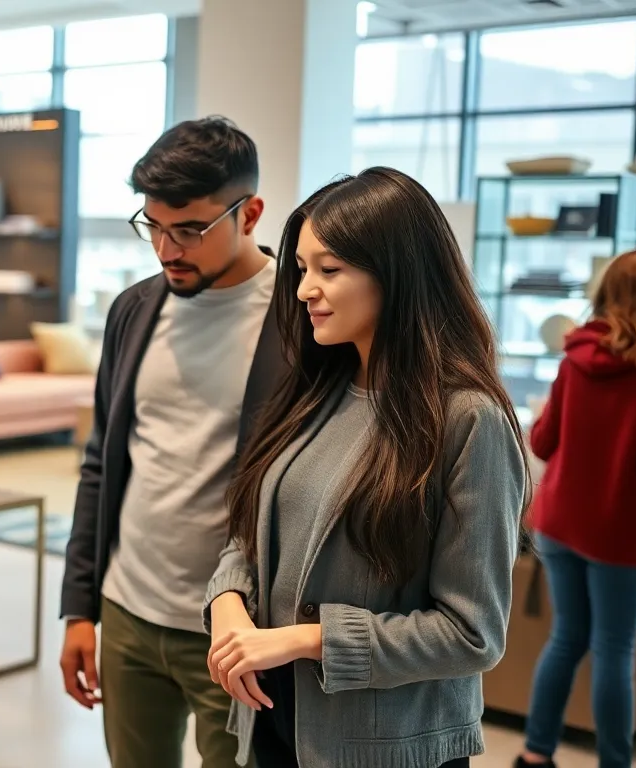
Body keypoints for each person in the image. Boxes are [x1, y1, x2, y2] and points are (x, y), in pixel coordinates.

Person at [205, 166, 528, 768]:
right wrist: (228, 601)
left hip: (383, 745)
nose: (304, 290)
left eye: (329, 270)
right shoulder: (316, 389)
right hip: (273, 727)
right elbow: (252, 535)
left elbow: (472, 633)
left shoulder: (467, 419)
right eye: (302, 269)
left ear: (398, 276)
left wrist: (306, 639)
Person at [58, 116, 287, 768]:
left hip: (236, 629)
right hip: (128, 612)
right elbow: (101, 461)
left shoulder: (298, 320)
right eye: (152, 225)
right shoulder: (134, 309)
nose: (166, 248)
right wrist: (80, 608)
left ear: (251, 213)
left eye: (190, 230)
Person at [516, 250, 636, 768]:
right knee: (614, 648)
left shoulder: (574, 359)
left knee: (567, 637)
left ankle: (534, 754)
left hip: (559, 523)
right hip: (620, 531)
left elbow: (543, 443)